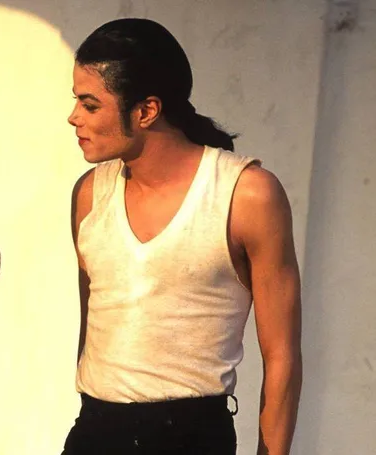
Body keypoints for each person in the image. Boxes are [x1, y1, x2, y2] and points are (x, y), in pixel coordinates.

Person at [63, 18, 302, 455]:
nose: (73, 117)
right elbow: (92, 334)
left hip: (191, 437)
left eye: (90, 105)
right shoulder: (89, 194)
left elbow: (282, 356)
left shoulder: (246, 194)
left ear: (146, 111)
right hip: (94, 431)